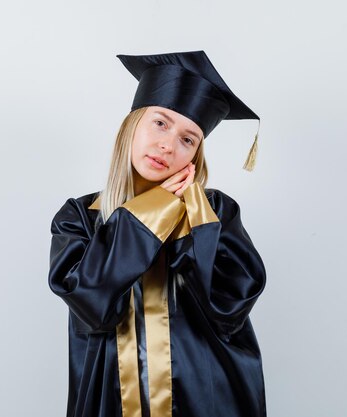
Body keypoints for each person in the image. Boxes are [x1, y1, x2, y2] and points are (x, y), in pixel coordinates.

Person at [48, 50, 267, 417]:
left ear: (196, 157)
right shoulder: (80, 219)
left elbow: (229, 309)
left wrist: (187, 218)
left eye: (188, 139)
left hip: (209, 400)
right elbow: (93, 304)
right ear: (131, 126)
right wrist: (153, 211)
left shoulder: (215, 214)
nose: (168, 145)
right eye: (161, 123)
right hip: (111, 401)